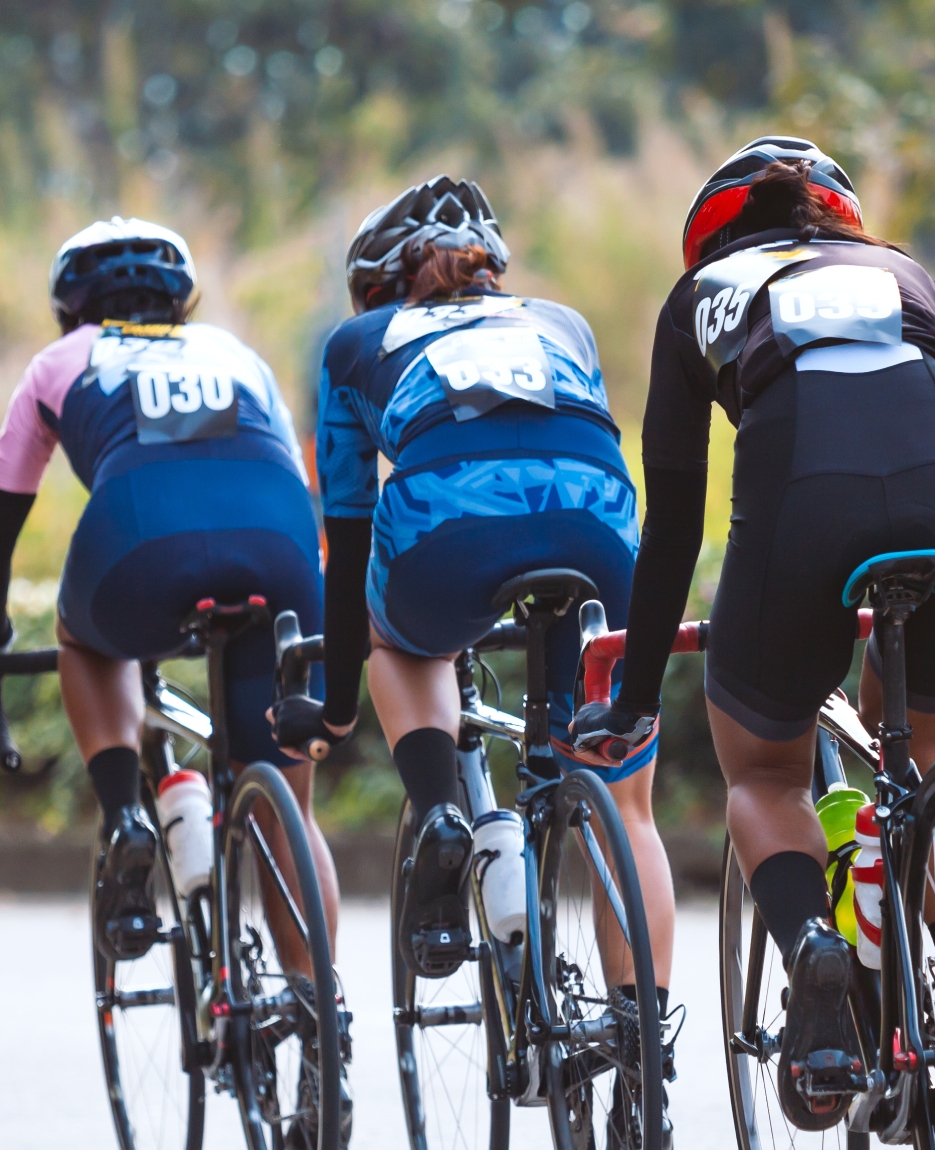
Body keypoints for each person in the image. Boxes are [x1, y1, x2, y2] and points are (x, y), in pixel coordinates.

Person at [569, 136, 935, 1128]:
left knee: (765, 771)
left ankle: (812, 945)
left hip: (805, 489)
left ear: (711, 233)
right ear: (838, 215)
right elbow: (922, 426)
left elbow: (673, 521)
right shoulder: (902, 270)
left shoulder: (698, 299)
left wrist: (635, 698)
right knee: (929, 744)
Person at [282, 176, 676, 1031]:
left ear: (379, 285)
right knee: (625, 803)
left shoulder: (357, 341)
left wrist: (340, 705)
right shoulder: (560, 320)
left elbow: (345, 538)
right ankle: (644, 1047)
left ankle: (442, 817)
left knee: (403, 645)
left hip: (449, 534)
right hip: (600, 529)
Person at [0, 217, 340, 962]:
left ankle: (126, 813)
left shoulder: (58, 363)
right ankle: (320, 1016)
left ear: (72, 308)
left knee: (86, 643)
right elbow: (292, 478)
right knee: (291, 813)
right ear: (182, 302)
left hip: (138, 546)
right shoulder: (237, 354)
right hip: (280, 545)